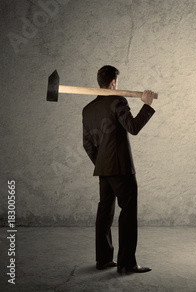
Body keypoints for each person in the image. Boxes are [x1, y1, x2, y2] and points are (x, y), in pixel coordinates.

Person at [82, 65, 156, 275]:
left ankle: (103, 260)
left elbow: (87, 144)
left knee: (104, 212)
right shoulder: (117, 100)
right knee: (128, 212)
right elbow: (133, 127)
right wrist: (147, 106)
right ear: (114, 82)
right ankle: (126, 264)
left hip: (103, 169)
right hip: (121, 169)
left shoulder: (87, 109)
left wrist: (101, 162)